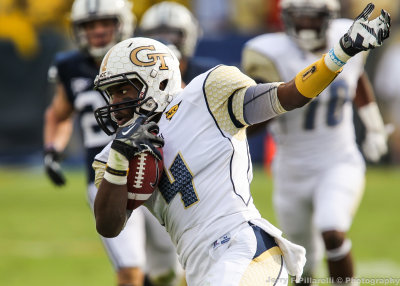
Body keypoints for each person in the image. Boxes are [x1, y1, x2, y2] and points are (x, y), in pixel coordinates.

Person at [91, 3, 390, 285]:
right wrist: (121, 157)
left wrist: (340, 53)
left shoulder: (207, 94)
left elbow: (288, 95)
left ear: (156, 80)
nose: (115, 103)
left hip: (244, 249)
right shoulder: (114, 153)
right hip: (199, 268)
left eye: (123, 90)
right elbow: (109, 225)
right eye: (110, 94)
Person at [241, 0, 389, 284]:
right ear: (286, 19)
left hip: (339, 160)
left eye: (313, 18)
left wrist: (373, 125)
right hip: (291, 170)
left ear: (329, 18)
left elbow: (355, 77)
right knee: (303, 266)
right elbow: (256, 117)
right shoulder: (269, 52)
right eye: (299, 18)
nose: (305, 25)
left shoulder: (348, 35)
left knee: (332, 230)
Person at [43, 0, 182, 285]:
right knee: (130, 269)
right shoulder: (71, 67)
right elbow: (58, 114)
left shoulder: (149, 55)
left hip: (157, 168)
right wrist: (52, 150)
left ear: (122, 23)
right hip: (106, 173)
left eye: (105, 23)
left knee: (170, 271)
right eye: (89, 25)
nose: (97, 31)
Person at [137, 1, 221, 85]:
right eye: (155, 34)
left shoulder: (210, 74)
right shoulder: (138, 74)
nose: (163, 41)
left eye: (171, 34)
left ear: (188, 35)